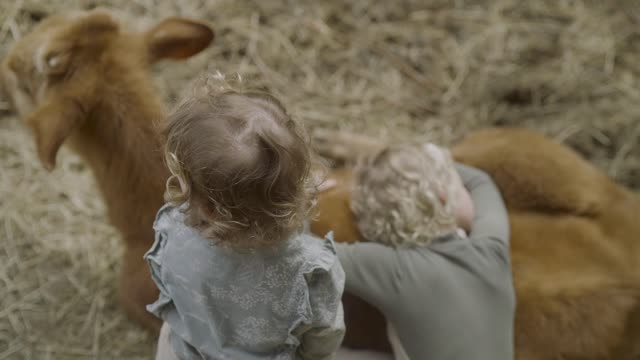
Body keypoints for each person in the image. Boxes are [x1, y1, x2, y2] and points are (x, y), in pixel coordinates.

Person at [145, 74, 345, 360]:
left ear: (210, 211)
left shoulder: (171, 229)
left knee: (169, 336)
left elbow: (170, 293)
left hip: (192, 349)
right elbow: (325, 337)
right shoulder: (312, 270)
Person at [334, 143, 515, 360]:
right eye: (459, 188)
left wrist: (304, 201)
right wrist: (433, 163)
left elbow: (307, 252)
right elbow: (480, 181)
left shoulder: (393, 269)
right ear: (443, 197)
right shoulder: (491, 249)